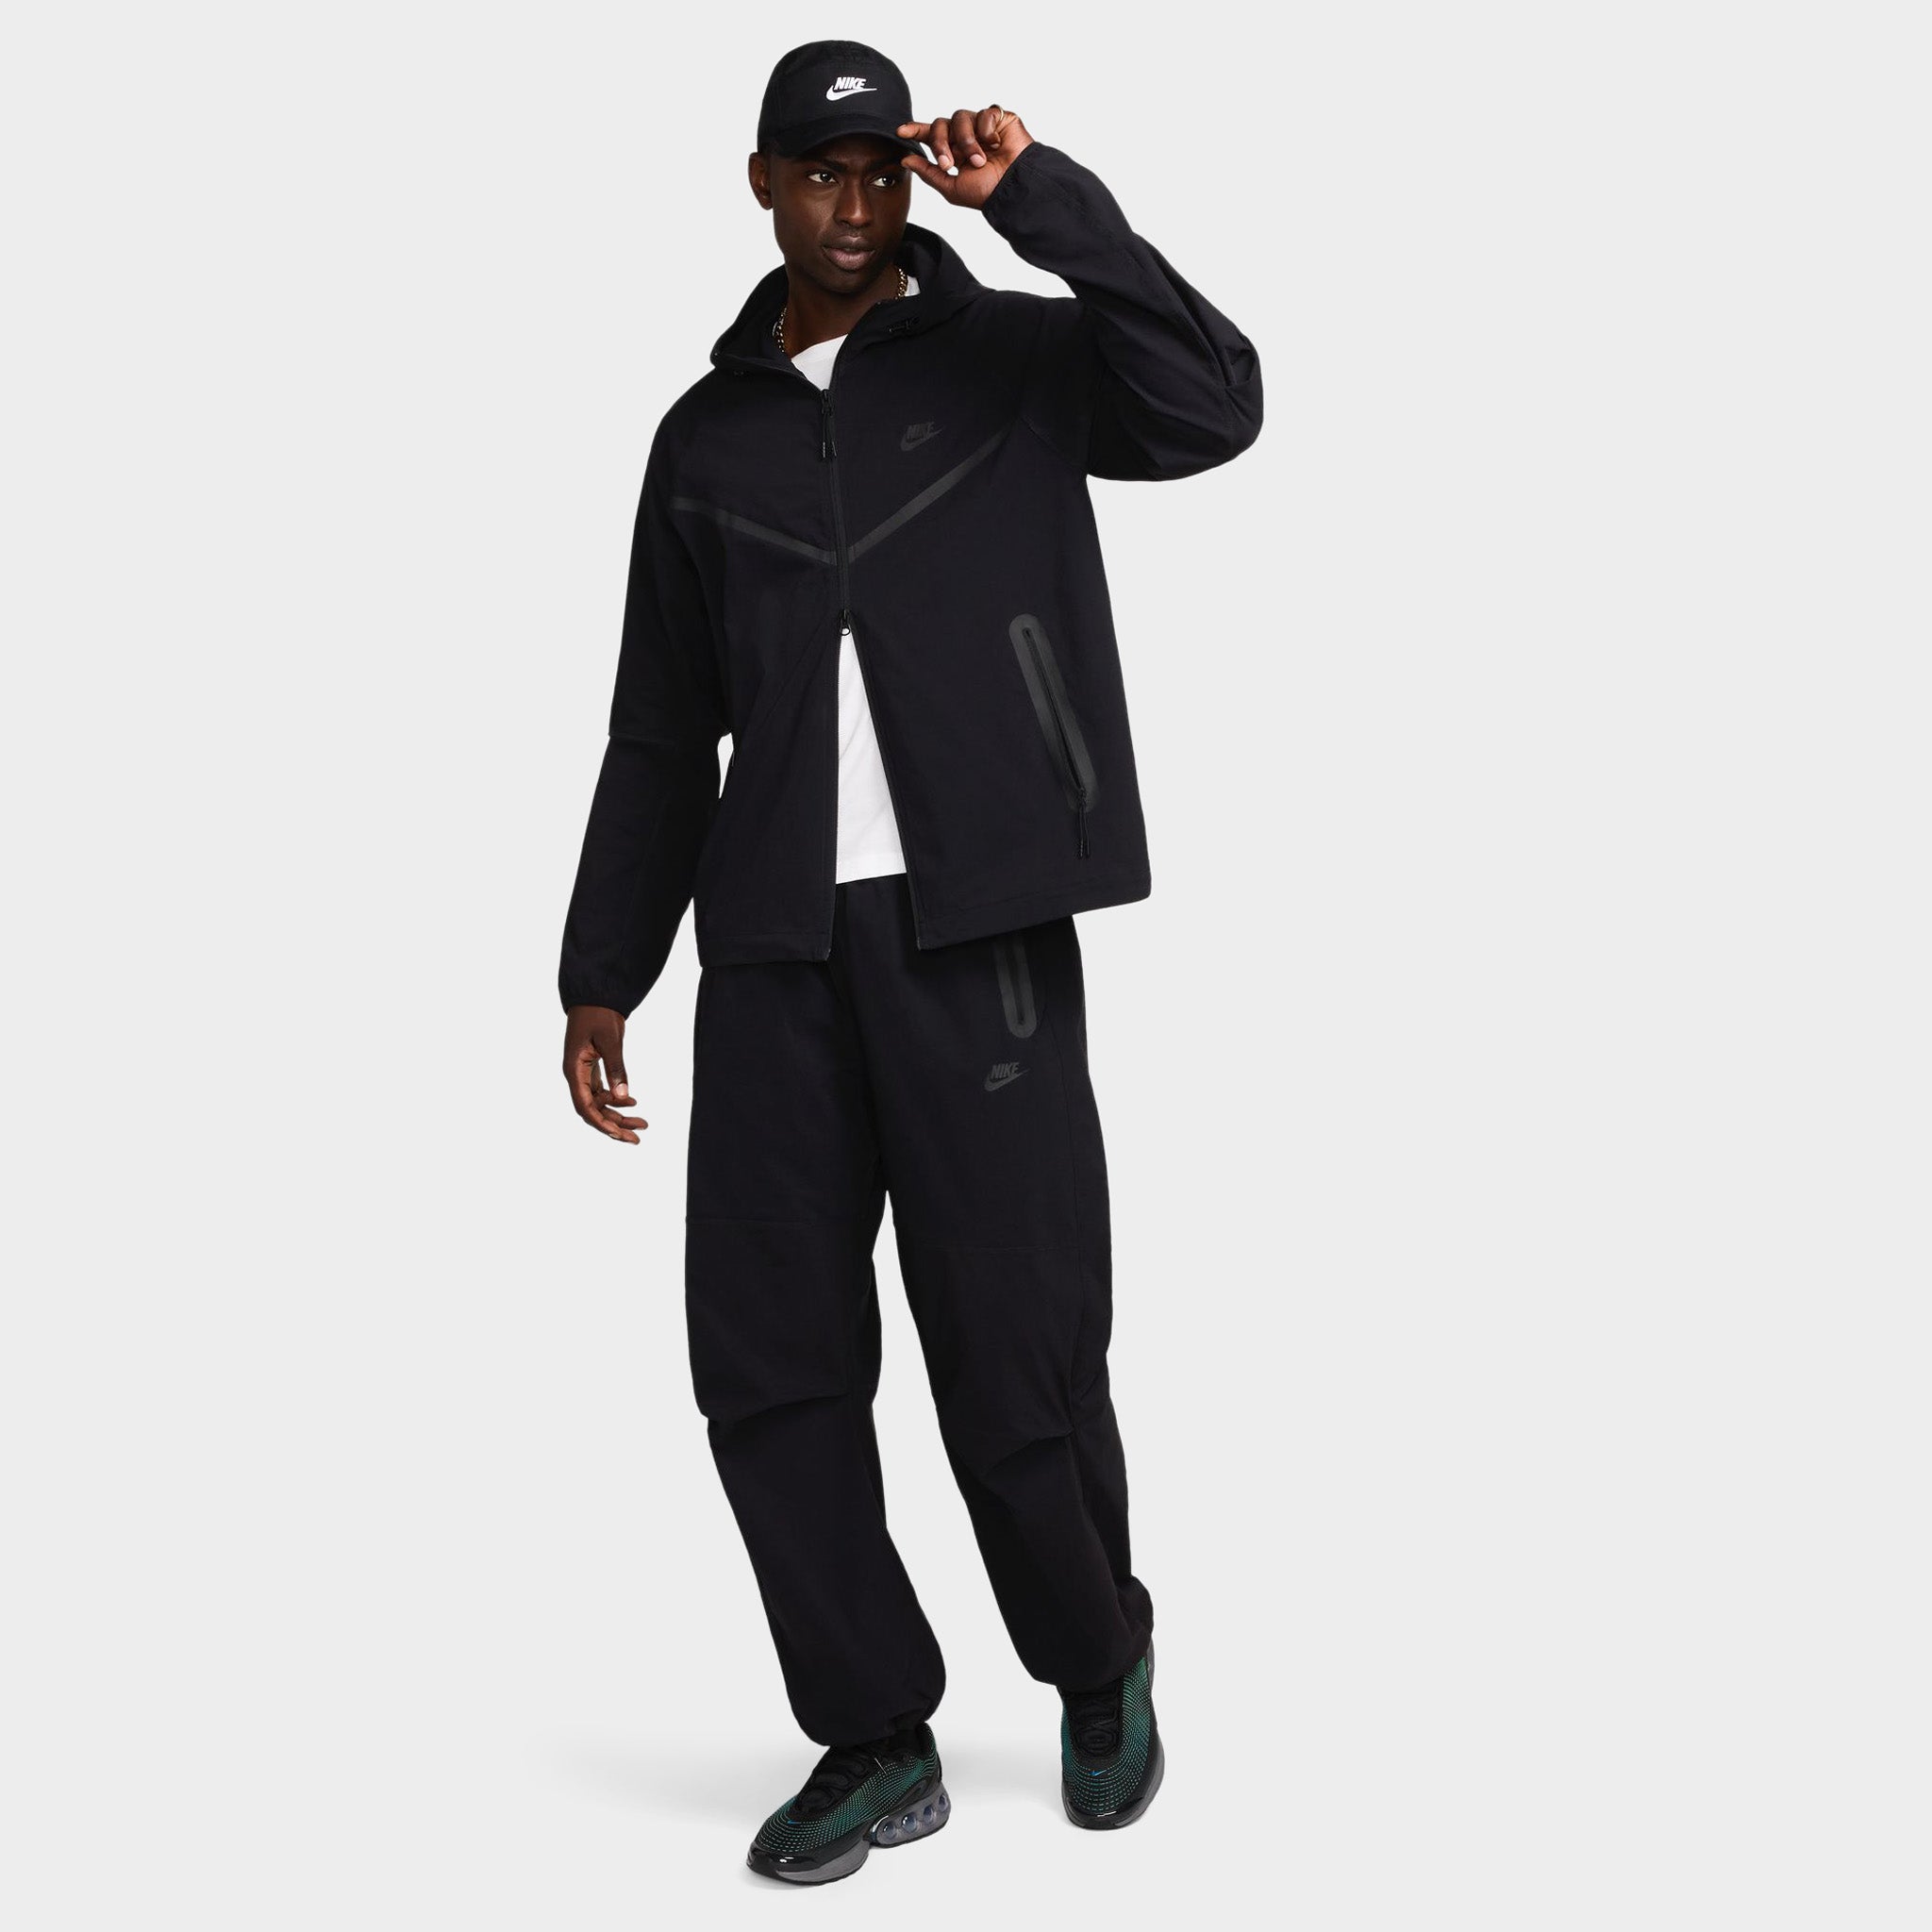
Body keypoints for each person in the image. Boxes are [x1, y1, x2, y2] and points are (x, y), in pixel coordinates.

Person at [558, 38, 1261, 1885]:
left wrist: (1039, 198)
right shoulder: (703, 440)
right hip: (772, 951)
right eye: (823, 172)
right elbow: (660, 727)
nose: (857, 204)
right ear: (762, 185)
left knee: (1017, 1342)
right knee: (769, 1363)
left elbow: (1215, 401)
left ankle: (1097, 1661)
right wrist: (602, 967)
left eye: (883, 170)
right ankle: (873, 1731)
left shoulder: (1011, 360)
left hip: (978, 933)